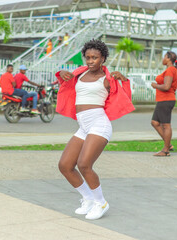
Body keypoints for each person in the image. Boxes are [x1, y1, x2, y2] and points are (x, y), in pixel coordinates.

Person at [56, 39, 135, 220]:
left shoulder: (107, 79)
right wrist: (61, 73)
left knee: (84, 164)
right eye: (88, 57)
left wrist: (123, 80)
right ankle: (88, 198)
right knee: (65, 166)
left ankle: (101, 202)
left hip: (99, 124)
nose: (90, 61)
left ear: (103, 59)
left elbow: (124, 98)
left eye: (95, 58)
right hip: (83, 126)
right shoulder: (79, 74)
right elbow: (65, 83)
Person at [151, 51, 177, 157]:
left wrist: (155, 85)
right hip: (164, 100)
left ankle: (165, 150)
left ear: (168, 58)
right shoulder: (174, 70)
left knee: (166, 125)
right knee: (155, 122)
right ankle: (168, 145)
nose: (163, 59)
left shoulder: (170, 70)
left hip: (166, 100)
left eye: (164, 57)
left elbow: (167, 86)